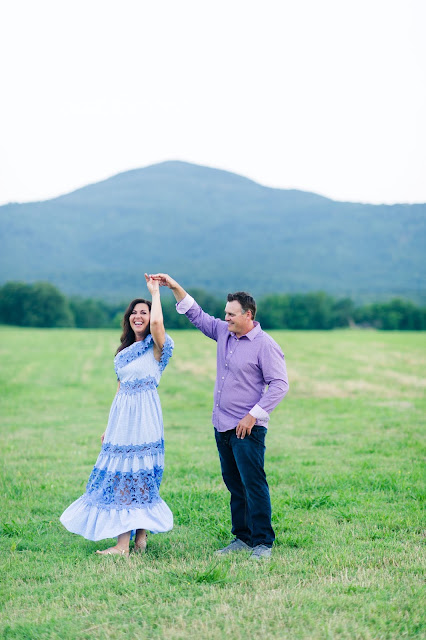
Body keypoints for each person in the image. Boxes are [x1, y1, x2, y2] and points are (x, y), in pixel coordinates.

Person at [151, 273, 289, 560]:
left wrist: (253, 416)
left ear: (248, 315)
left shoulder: (265, 345)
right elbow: (196, 314)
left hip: (247, 428)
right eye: (225, 314)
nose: (225, 318)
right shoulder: (224, 332)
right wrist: (174, 287)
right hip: (222, 424)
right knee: (234, 484)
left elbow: (279, 385)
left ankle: (263, 543)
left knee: (253, 483)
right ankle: (243, 537)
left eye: (231, 314)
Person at [60, 274, 174, 556]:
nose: (138, 316)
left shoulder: (159, 348)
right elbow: (119, 390)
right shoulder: (124, 352)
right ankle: (134, 541)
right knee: (124, 475)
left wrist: (155, 293)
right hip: (123, 420)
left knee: (141, 475)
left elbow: (158, 324)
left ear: (151, 317)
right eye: (134, 312)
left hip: (146, 418)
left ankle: (128, 543)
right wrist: (109, 427)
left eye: (143, 312)